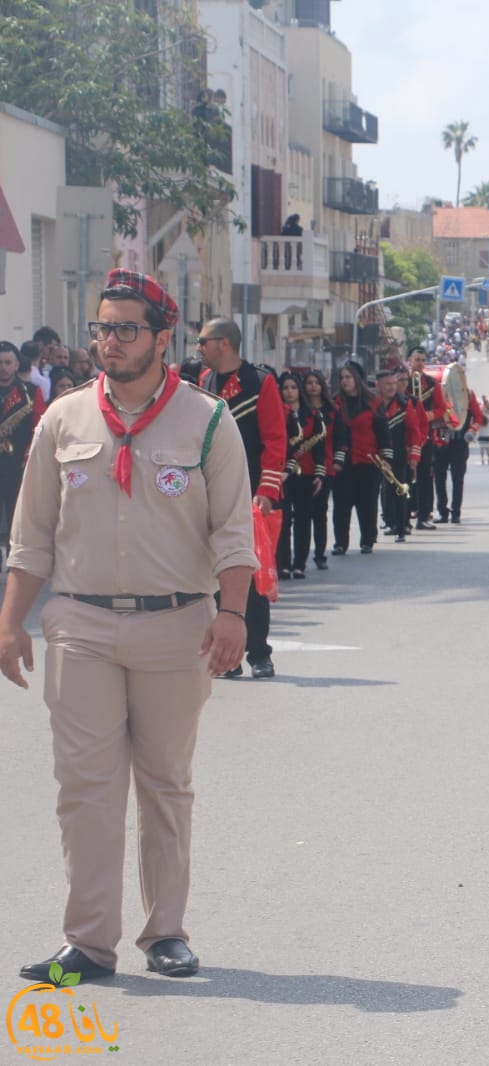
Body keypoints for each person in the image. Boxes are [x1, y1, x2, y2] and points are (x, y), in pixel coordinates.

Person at [1, 269, 256, 983]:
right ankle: (87, 942)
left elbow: (235, 531)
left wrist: (232, 612)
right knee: (83, 785)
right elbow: (32, 536)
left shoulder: (205, 421)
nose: (109, 341)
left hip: (175, 625)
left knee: (165, 783)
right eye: (101, 328)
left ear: (161, 338)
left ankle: (165, 931)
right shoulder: (63, 420)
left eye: (125, 329)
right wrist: (10, 623)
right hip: (79, 622)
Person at [197, 317, 286, 680]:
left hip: (249, 495)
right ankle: (226, 657)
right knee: (214, 577)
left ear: (224, 343)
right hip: (209, 494)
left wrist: (266, 490)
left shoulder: (259, 382)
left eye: (203, 340)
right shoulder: (203, 383)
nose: (198, 347)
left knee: (250, 575)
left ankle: (259, 652)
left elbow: (275, 440)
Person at [274, 373, 326, 580]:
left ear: (299, 390)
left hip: (306, 473)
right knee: (284, 520)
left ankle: (300, 565)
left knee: (304, 519)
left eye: (293, 387)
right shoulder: (277, 413)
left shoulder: (312, 415)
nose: (289, 392)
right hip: (283, 475)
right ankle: (283, 564)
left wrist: (320, 473)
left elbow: (320, 446)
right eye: (285, 388)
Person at [331, 361, 387, 555]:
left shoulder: (374, 403)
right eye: (341, 378)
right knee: (341, 503)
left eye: (348, 377)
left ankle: (367, 539)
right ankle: (340, 542)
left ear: (357, 379)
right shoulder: (335, 402)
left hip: (368, 461)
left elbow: (383, 433)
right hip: (343, 462)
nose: (344, 381)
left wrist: (386, 458)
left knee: (368, 502)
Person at [0, 341, 47, 552]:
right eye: (0, 362)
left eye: (8, 362)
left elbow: (39, 427)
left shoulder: (30, 391)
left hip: (16, 464)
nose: (3, 367)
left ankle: (14, 558)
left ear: (17, 364)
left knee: (15, 515)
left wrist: (29, 457)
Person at [375, 367, 426, 542]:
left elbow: (414, 432)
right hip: (376, 457)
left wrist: (414, 457)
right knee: (382, 491)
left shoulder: (404, 405)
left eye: (393, 384)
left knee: (399, 490)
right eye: (387, 384)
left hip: (398, 456)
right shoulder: (372, 405)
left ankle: (401, 527)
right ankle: (386, 522)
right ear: (378, 385)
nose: (391, 387)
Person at [404, 348, 449, 530]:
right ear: (409, 360)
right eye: (417, 360)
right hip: (405, 435)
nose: (420, 363)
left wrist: (427, 415)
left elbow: (441, 408)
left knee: (425, 475)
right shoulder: (402, 381)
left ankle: (424, 516)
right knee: (403, 475)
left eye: (423, 360)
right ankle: (401, 517)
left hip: (425, 434)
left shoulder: (431, 383)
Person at [433, 360, 481, 523]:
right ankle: (442, 511)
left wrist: (471, 431)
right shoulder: (439, 393)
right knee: (439, 477)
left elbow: (478, 417)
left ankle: (456, 512)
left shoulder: (469, 394)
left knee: (457, 478)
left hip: (460, 442)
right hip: (442, 441)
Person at [301, 369, 336, 570]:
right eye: (309, 383)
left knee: (320, 513)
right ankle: (301, 555)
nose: (313, 386)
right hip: (302, 466)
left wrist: (337, 462)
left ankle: (321, 553)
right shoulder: (301, 411)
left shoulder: (331, 411)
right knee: (303, 514)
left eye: (317, 382)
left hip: (326, 467)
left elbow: (340, 440)